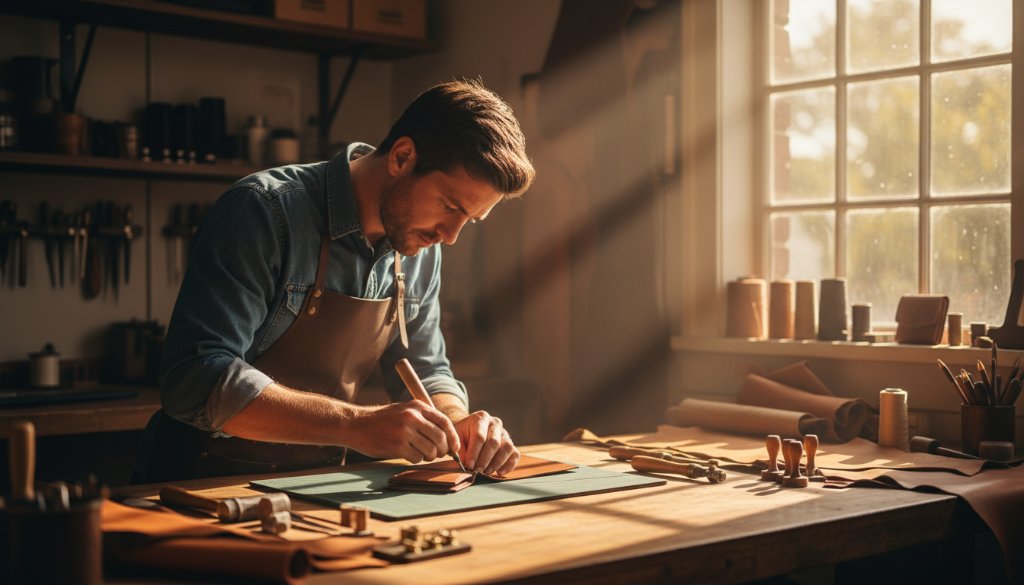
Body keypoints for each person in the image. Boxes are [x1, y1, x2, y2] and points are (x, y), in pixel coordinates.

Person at [132, 79, 536, 483]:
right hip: (200, 483)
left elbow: (426, 369)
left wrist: (457, 420)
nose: (450, 236)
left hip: (318, 484)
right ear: (402, 157)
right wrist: (355, 426)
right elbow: (195, 378)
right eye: (449, 206)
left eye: (470, 220)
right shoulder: (263, 211)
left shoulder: (420, 245)